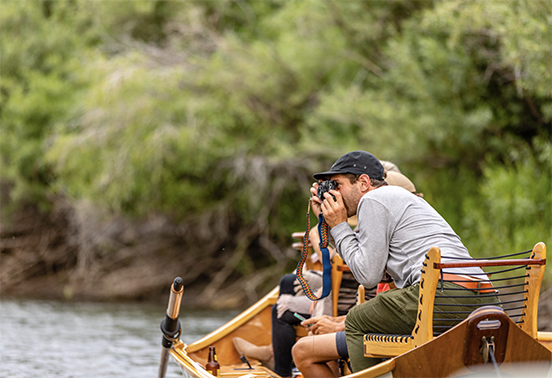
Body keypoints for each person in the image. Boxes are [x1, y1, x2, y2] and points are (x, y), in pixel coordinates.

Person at [309, 150, 500, 372]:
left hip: (442, 293)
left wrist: (339, 226)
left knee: (357, 319)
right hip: (484, 299)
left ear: (363, 182)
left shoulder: (372, 199)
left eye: (336, 185)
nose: (333, 194)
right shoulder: (399, 199)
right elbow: (368, 264)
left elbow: (367, 277)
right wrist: (330, 225)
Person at [233, 163, 419, 377]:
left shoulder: (380, 219)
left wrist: (338, 324)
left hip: (357, 305)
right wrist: (328, 222)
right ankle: (274, 354)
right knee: (289, 285)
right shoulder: (409, 229)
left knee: (288, 318)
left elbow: (360, 274)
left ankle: (278, 364)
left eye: (338, 187)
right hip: (371, 309)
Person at [290, 170, 422, 378]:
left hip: (382, 330)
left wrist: (337, 325)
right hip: (377, 322)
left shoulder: (389, 227)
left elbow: (370, 292)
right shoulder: (411, 233)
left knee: (304, 349)